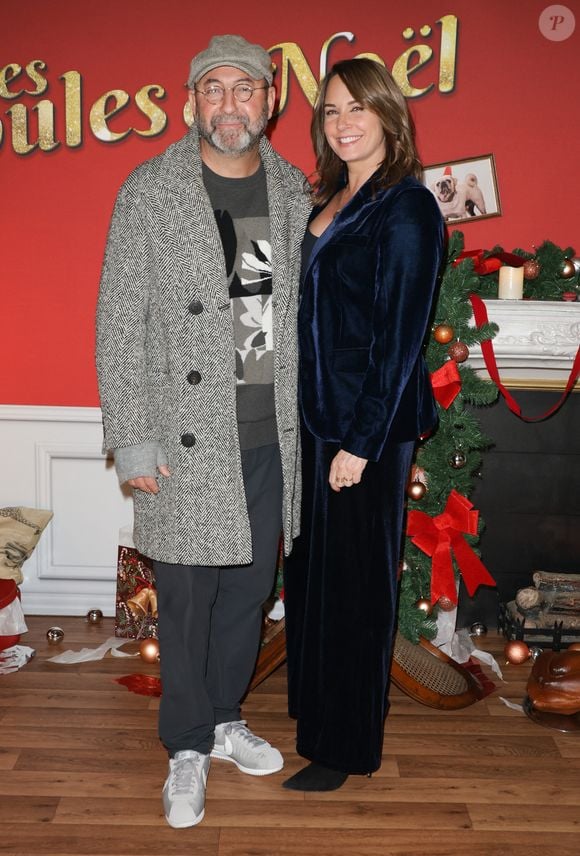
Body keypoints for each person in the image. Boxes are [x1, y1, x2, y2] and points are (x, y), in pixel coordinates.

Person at [96, 34, 310, 828]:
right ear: (192, 103)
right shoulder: (150, 190)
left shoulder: (290, 188)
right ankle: (186, 746)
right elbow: (120, 323)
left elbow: (281, 318)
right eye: (213, 89)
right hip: (184, 437)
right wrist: (133, 438)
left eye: (244, 89)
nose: (230, 103)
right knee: (187, 599)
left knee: (249, 592)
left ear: (270, 100)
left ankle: (222, 720)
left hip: (270, 434)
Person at [282, 58, 444, 792]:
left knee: (356, 593)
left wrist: (363, 440)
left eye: (357, 108)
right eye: (331, 110)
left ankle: (345, 748)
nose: (343, 123)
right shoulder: (334, 194)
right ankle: (316, 721)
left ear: (388, 114)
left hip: (362, 430)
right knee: (315, 580)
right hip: (316, 418)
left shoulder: (407, 207)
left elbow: (402, 337)